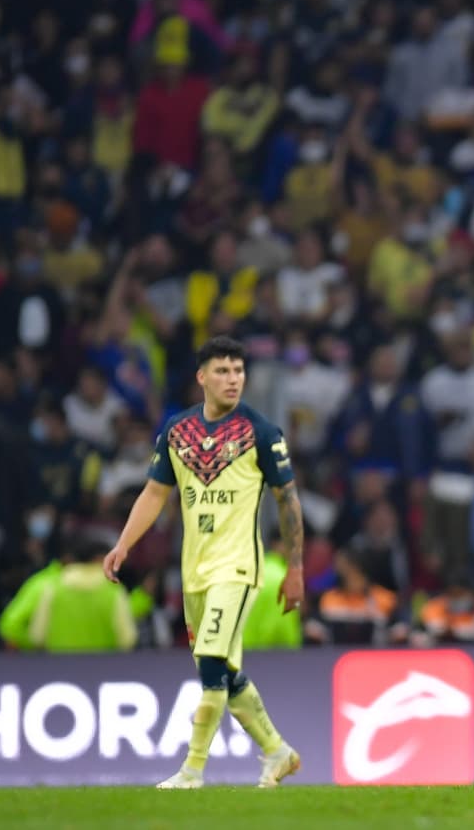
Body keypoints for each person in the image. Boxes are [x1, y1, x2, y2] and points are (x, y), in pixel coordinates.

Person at [103, 335, 304, 789]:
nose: (233, 380)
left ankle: (192, 771)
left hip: (238, 567)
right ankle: (278, 752)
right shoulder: (177, 432)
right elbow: (155, 492)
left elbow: (288, 501)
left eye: (238, 371)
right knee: (225, 674)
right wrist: (124, 544)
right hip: (194, 568)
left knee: (212, 664)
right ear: (201, 377)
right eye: (222, 371)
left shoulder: (261, 432)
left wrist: (295, 569)